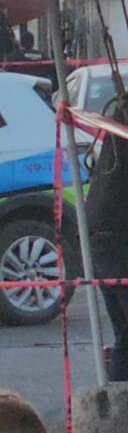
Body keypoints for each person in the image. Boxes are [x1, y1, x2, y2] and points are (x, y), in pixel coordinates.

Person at [85, 97, 128, 381]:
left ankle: (116, 404)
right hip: (116, 238)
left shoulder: (118, 120)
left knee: (124, 334)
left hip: (100, 235)